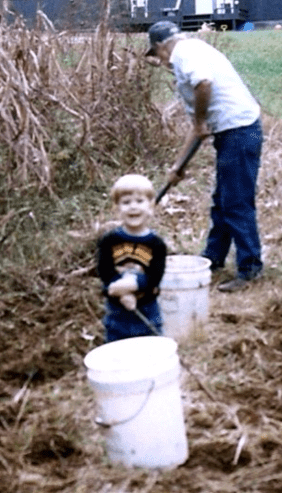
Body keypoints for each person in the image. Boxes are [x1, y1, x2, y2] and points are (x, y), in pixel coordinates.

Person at [146, 20, 263, 292]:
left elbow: (204, 84)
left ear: (161, 47)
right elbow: (197, 130)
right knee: (222, 201)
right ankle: (213, 259)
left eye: (157, 55)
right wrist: (177, 167)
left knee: (236, 203)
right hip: (234, 131)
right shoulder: (189, 56)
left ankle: (250, 268)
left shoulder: (185, 53)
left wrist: (199, 121)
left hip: (241, 130)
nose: (160, 62)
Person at [96, 174, 167, 342]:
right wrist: (121, 292)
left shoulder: (156, 244)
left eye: (139, 201)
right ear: (117, 208)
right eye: (126, 202)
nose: (133, 207)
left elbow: (155, 277)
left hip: (147, 310)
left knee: (151, 351)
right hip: (117, 312)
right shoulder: (109, 241)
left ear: (151, 207)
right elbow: (104, 272)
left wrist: (133, 285)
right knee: (118, 353)